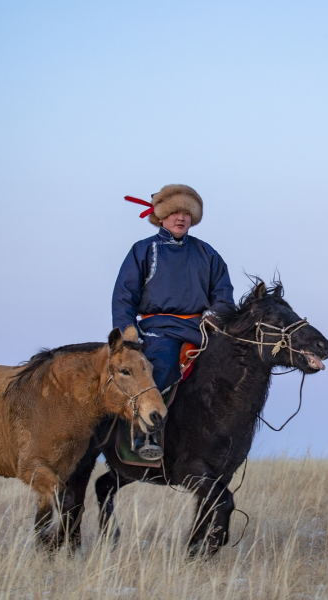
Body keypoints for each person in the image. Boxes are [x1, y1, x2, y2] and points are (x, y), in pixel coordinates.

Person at [112, 184, 235, 458]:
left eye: (186, 213)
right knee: (162, 367)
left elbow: (224, 295)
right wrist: (128, 333)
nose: (181, 218)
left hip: (201, 329)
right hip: (159, 329)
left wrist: (215, 316)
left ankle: (223, 440)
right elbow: (124, 296)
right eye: (174, 212)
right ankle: (145, 436)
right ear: (161, 216)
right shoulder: (143, 251)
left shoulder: (208, 254)